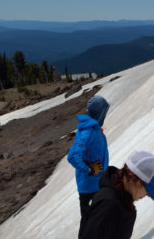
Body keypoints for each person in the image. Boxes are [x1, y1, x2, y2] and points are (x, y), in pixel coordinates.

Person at [79, 150, 154, 239]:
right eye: (148, 189)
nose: (148, 195)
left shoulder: (124, 205)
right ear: (135, 180)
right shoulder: (109, 204)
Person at [67, 95, 110, 234]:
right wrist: (89, 170)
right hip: (90, 187)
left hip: (97, 183)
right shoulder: (88, 131)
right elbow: (72, 156)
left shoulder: (94, 128)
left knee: (96, 222)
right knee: (89, 224)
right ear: (100, 112)